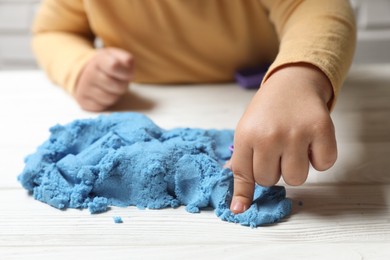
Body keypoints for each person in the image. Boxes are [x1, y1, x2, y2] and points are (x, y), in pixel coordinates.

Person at [31, 0, 356, 214]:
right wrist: (80, 66)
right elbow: (53, 30)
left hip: (265, 97)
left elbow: (317, 8)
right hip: (143, 99)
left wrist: (298, 76)